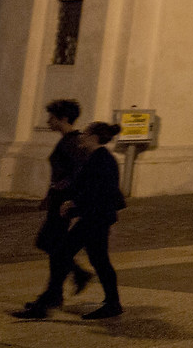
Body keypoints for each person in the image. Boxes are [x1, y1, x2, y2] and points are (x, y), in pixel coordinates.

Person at [16, 100, 93, 317]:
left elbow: (77, 172)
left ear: (64, 119)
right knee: (54, 246)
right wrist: (50, 194)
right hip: (58, 200)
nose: (48, 121)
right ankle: (58, 291)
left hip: (64, 204)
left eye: (52, 118)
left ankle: (60, 289)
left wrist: (65, 189)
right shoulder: (68, 141)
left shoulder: (71, 143)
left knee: (50, 244)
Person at [66, 122, 128, 320]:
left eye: (85, 133)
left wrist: (74, 207)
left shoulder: (102, 160)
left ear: (93, 137)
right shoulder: (98, 158)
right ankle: (112, 301)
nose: (81, 136)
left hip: (96, 217)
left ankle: (110, 301)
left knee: (63, 251)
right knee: (99, 260)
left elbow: (98, 193)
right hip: (96, 216)